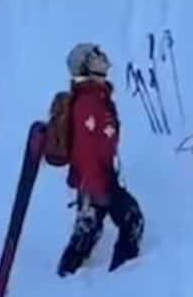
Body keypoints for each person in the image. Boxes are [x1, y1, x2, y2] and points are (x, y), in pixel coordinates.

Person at [55, 44, 144, 275]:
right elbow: (85, 151)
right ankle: (125, 280)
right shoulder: (88, 103)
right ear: (86, 65)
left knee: (86, 237)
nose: (103, 57)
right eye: (95, 55)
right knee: (130, 221)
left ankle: (66, 279)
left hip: (101, 178)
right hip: (95, 182)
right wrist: (98, 190)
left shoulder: (97, 96)